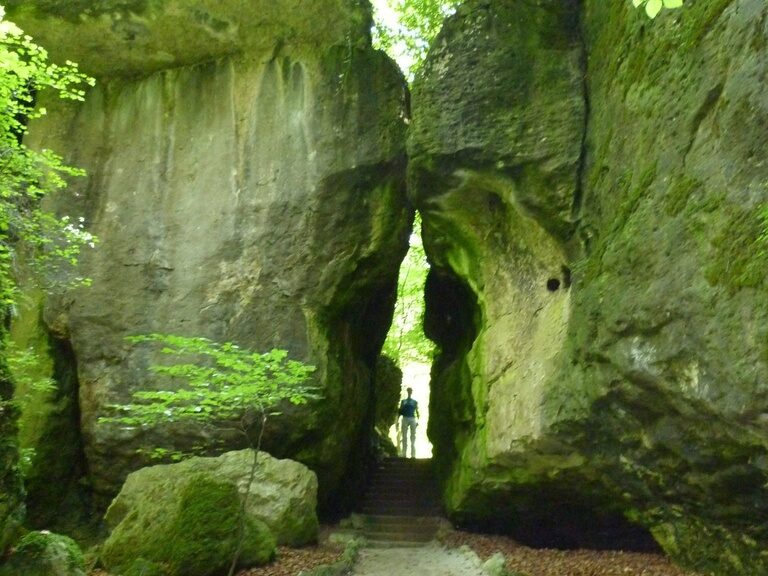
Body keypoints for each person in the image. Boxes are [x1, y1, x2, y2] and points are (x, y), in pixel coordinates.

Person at [398, 387, 419, 458]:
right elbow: (400, 411)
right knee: (404, 436)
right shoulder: (403, 401)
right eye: (409, 391)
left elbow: (417, 412)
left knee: (413, 436)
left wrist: (417, 421)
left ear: (411, 392)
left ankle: (413, 454)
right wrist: (398, 420)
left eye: (410, 391)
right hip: (405, 418)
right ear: (407, 392)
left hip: (412, 418)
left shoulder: (415, 402)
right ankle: (404, 454)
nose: (409, 392)